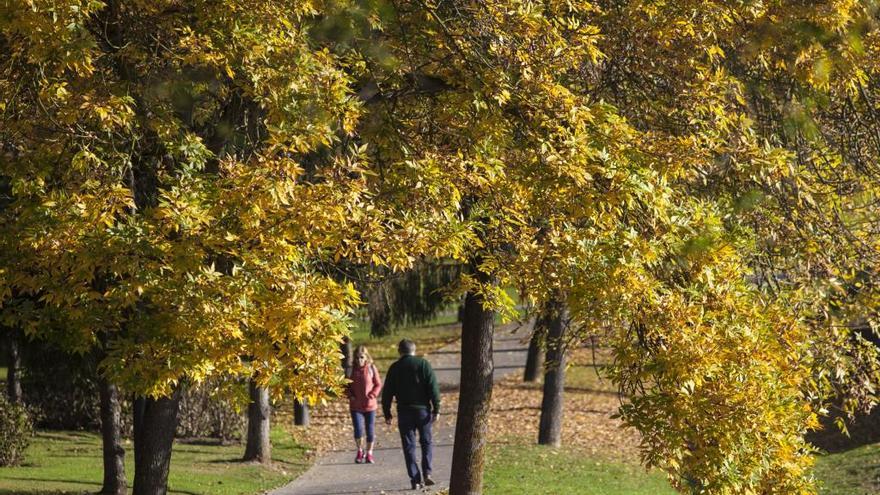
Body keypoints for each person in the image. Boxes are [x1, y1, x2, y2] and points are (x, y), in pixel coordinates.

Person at [382, 339, 441, 490]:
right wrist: (437, 409)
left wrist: (387, 413)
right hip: (422, 411)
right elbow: (433, 387)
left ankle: (415, 479)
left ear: (399, 351)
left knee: (409, 446)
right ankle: (427, 473)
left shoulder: (394, 368)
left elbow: (387, 392)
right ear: (414, 349)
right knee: (426, 442)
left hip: (404, 412)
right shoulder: (423, 364)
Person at [348, 345, 382, 464]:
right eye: (357, 358)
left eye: (362, 357)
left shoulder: (372, 368)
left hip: (370, 405)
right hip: (356, 406)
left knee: (370, 430)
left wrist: (373, 394)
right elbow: (345, 385)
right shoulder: (351, 370)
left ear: (366, 357)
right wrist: (350, 395)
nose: (359, 360)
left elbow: (378, 384)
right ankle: (360, 451)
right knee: (358, 429)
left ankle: (369, 453)